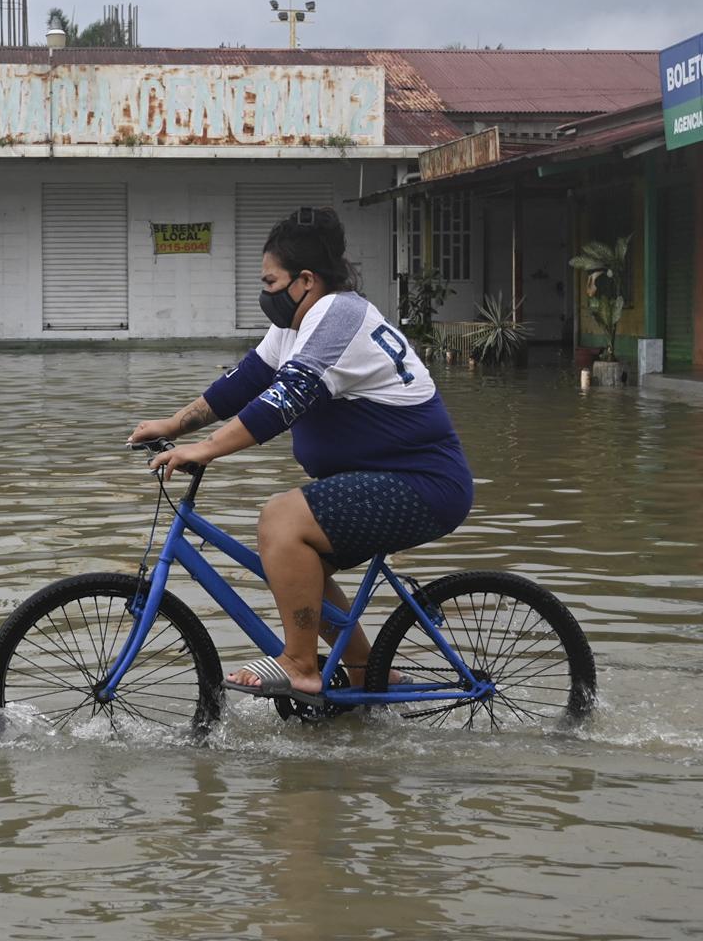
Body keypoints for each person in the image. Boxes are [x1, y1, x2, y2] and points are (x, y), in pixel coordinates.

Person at [128, 206, 475, 701]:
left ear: (305, 279)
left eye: (271, 280)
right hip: (381, 476)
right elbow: (246, 381)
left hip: (422, 483)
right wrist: (175, 425)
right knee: (297, 559)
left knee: (282, 520)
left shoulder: (337, 318)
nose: (265, 292)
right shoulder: (301, 320)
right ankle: (363, 669)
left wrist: (203, 451)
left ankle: (300, 664)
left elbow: (283, 401)